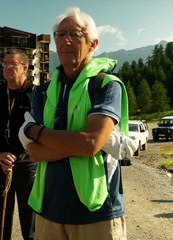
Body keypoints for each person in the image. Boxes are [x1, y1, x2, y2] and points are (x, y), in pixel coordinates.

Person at [20, 7, 130, 240]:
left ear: (93, 44)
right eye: (60, 35)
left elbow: (90, 143)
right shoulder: (44, 92)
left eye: (75, 33)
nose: (66, 40)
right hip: (49, 211)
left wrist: (36, 131)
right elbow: (35, 153)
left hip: (96, 214)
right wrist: (76, 143)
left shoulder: (107, 86)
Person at [0, 49, 36, 240]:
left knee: (30, 223)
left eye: (12, 64)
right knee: (1, 221)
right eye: (4, 64)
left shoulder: (35, 94)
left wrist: (14, 155)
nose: (6, 68)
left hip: (26, 165)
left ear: (25, 68)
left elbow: (37, 128)